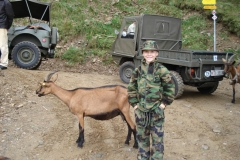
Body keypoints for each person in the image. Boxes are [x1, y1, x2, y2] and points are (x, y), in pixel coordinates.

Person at [127, 40, 175, 160]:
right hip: (141, 113)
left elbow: (170, 89)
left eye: (152, 51)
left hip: (156, 113)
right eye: (146, 51)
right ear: (143, 53)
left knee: (157, 144)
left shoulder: (162, 70)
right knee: (142, 142)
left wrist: (162, 106)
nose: (149, 54)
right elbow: (131, 89)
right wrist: (135, 106)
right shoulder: (137, 71)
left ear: (157, 53)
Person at [0, 0, 14, 70]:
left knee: (3, 45)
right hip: (2, 25)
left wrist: (8, 26)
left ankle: (4, 64)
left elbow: (10, 15)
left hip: (2, 26)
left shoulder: (6, 2)